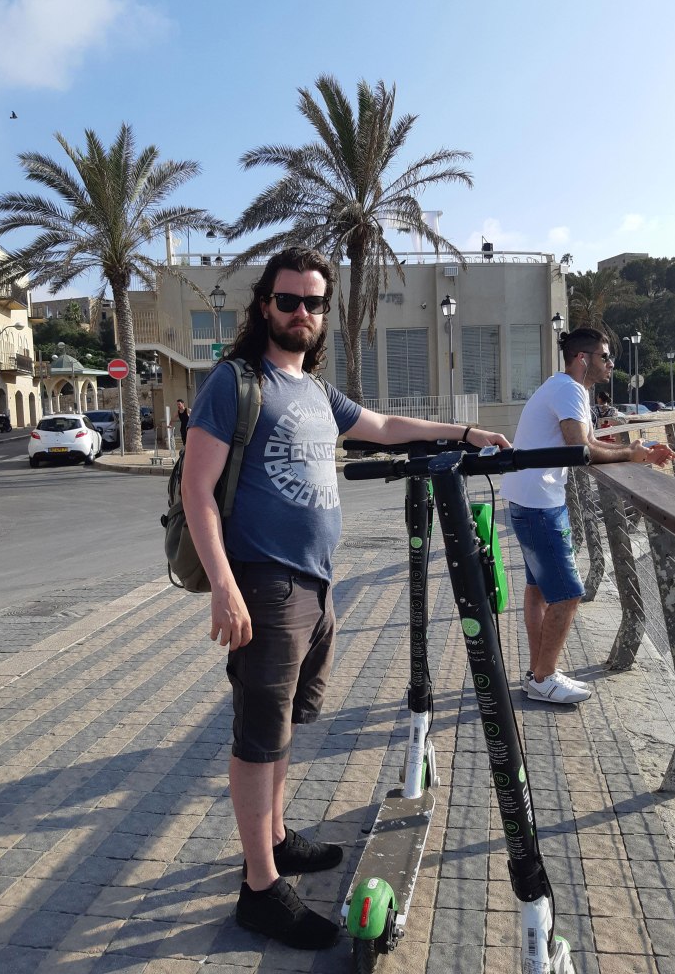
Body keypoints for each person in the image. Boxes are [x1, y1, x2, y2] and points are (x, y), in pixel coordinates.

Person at [182, 246, 510, 950]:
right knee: (257, 732)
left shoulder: (316, 391)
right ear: (263, 305)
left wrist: (461, 432)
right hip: (264, 582)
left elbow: (385, 426)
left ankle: (273, 835)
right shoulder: (235, 382)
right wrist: (224, 588)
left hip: (315, 582)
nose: (301, 312)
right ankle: (261, 888)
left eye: (313, 302)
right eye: (288, 299)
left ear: (324, 314)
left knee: (287, 723)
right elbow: (197, 492)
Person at [500, 327, 675, 706]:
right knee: (569, 594)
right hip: (540, 505)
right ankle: (544, 677)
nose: (611, 364)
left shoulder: (565, 388)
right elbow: (580, 448)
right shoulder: (568, 390)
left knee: (538, 590)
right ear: (584, 358)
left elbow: (589, 442)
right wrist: (631, 456)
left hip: (528, 497)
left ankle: (537, 673)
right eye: (606, 357)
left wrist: (635, 449)